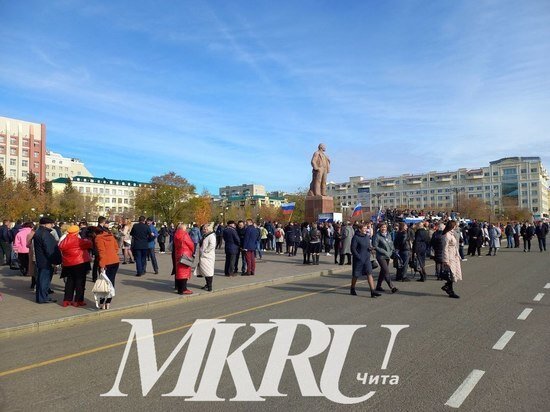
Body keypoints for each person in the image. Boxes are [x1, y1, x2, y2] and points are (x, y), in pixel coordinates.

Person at [58, 225, 93, 307]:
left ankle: (67, 300)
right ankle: (78, 300)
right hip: (80, 263)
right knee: (80, 282)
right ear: (76, 232)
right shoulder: (79, 241)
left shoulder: (64, 241)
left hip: (68, 263)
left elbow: (60, 247)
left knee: (69, 282)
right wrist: (87, 239)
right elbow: (89, 244)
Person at [33, 217, 62, 303]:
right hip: (46, 261)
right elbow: (49, 249)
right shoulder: (45, 234)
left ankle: (42, 297)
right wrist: (54, 260)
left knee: (41, 280)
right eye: (51, 224)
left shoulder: (38, 232)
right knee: (44, 280)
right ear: (46, 224)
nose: (52, 226)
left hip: (41, 260)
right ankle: (43, 298)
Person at [94, 224, 121, 309]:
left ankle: (102, 302)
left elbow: (102, 252)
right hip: (115, 261)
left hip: (106, 262)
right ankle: (108, 302)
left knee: (103, 282)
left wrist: (102, 265)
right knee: (111, 282)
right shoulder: (111, 236)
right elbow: (116, 248)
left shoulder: (98, 238)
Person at [350, 223, 380, 298]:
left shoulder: (366, 236)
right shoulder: (355, 237)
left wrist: (371, 249)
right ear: (359, 229)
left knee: (369, 273)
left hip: (367, 258)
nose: (366, 230)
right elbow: (353, 249)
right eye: (364, 228)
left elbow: (368, 246)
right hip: (359, 259)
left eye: (366, 228)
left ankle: (372, 291)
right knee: (356, 275)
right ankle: (352, 288)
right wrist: (358, 257)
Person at [373, 223, 398, 293]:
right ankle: (392, 287)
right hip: (381, 256)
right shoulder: (377, 236)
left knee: (383, 271)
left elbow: (391, 243)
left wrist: (393, 250)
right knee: (386, 271)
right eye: (382, 227)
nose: (383, 228)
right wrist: (384, 252)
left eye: (385, 227)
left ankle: (378, 286)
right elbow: (375, 246)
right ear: (379, 228)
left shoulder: (388, 235)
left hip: (388, 255)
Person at [441, 220, 462, 299]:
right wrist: (446, 260)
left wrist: (458, 255)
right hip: (449, 256)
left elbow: (455, 245)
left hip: (454, 255)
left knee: (453, 274)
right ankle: (450, 290)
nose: (456, 226)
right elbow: (445, 248)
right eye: (455, 225)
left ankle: (448, 287)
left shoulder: (451, 234)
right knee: (451, 273)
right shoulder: (446, 235)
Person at [173, 223, 195, 294]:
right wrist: (192, 251)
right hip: (185, 254)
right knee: (185, 272)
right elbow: (191, 244)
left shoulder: (176, 234)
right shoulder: (185, 234)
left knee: (179, 272)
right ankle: (183, 289)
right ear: (183, 228)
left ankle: (180, 289)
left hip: (178, 254)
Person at [196, 223, 216, 291]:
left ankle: (209, 286)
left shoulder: (211, 236)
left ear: (209, 229)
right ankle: (207, 284)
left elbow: (212, 245)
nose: (204, 230)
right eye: (204, 228)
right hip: (204, 256)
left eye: (206, 229)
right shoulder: (205, 235)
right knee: (205, 271)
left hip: (208, 256)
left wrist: (206, 251)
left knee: (208, 271)